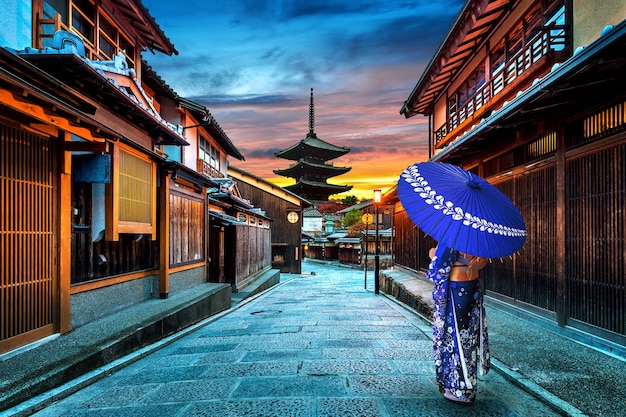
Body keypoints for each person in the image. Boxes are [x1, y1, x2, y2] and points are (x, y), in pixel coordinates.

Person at [426, 245, 490, 405]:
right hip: (472, 287)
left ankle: (460, 390)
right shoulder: (478, 238)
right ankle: (470, 386)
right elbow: (482, 262)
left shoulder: (453, 237)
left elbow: (439, 268)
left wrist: (433, 255)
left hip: (456, 291)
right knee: (468, 338)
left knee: (455, 340)